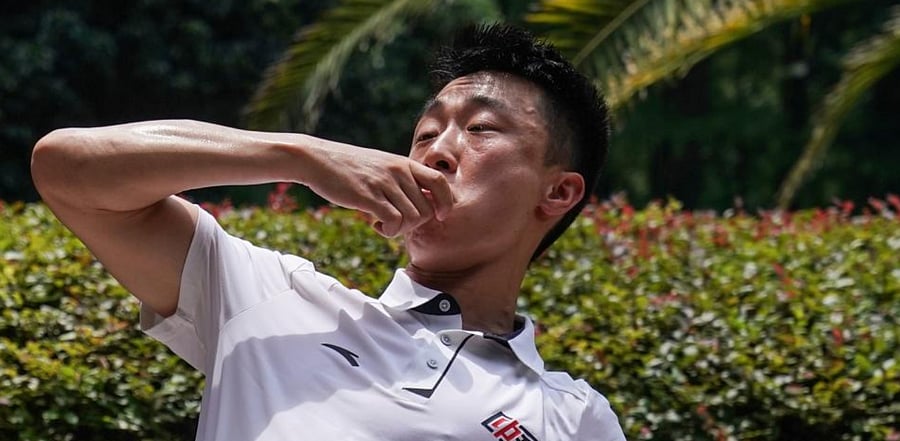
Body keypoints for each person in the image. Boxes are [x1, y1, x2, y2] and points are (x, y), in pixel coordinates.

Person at [31, 24, 625, 441]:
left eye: (481, 130)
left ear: (559, 192)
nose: (438, 152)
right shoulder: (267, 297)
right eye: (425, 133)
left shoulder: (571, 417)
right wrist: (300, 155)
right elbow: (68, 168)